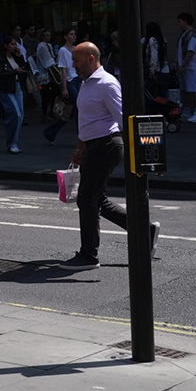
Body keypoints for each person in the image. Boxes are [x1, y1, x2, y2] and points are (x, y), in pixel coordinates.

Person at [58, 41, 159, 270]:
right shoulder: (86, 84)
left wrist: (138, 152)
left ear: (91, 59)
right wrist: (79, 149)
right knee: (96, 199)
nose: (73, 66)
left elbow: (124, 118)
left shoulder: (106, 84)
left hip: (106, 145)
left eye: (77, 61)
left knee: (87, 199)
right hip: (92, 146)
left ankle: (89, 255)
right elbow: (87, 120)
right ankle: (144, 230)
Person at [42, 28, 81, 144]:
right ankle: (82, 137)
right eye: (71, 34)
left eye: (74, 34)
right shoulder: (63, 50)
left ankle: (50, 132)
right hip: (69, 80)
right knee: (78, 105)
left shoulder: (76, 49)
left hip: (78, 79)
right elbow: (63, 69)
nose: (74, 36)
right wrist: (64, 87)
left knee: (69, 112)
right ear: (65, 36)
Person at [0, 35, 29, 154]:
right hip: (7, 88)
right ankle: (12, 143)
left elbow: (24, 68)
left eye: (15, 44)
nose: (14, 46)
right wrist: (14, 71)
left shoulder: (16, 57)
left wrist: (20, 57)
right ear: (6, 45)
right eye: (12, 44)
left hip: (17, 87)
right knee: (17, 115)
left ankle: (14, 142)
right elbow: (0, 73)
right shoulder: (1, 59)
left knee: (20, 116)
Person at [175, 13, 196, 124]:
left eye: (180, 21)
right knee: (186, 90)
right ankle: (186, 111)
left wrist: (184, 65)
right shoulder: (184, 34)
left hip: (191, 66)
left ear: (186, 21)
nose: (178, 24)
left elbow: (190, 51)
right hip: (184, 66)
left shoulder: (192, 35)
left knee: (195, 89)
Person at [142, 21, 173, 99]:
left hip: (157, 72)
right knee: (163, 96)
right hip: (165, 70)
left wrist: (152, 70)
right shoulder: (162, 40)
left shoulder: (152, 40)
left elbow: (154, 56)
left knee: (155, 96)